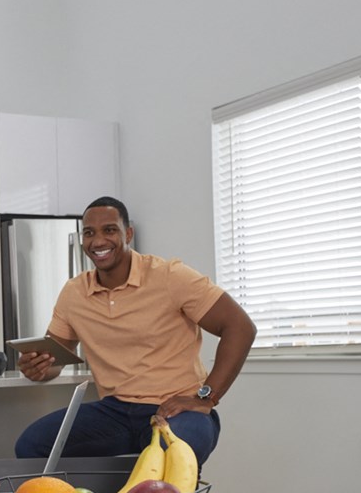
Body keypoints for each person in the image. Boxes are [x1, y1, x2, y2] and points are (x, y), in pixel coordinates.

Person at [14, 195, 256, 466]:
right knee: (32, 445)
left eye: (109, 230)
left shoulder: (169, 276)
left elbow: (240, 327)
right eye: (89, 233)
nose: (98, 241)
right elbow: (55, 359)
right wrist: (38, 367)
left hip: (176, 409)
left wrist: (206, 397)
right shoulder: (74, 293)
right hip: (114, 412)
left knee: (175, 458)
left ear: (128, 233)